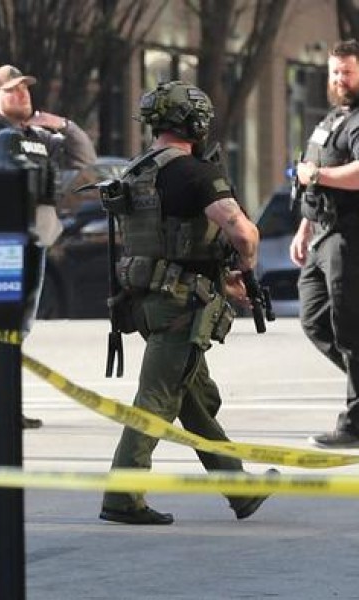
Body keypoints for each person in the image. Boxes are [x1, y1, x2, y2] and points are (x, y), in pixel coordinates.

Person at [98, 80, 276, 525]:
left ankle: (240, 488)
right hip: (180, 307)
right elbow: (241, 231)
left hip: (144, 301)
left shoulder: (138, 171)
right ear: (195, 122)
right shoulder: (196, 173)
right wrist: (246, 266)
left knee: (196, 401)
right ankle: (123, 496)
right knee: (156, 400)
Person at [0, 64, 95, 429]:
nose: (23, 95)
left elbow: (85, 159)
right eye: (13, 90)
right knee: (2, 323)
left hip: (36, 238)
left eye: (26, 89)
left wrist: (62, 125)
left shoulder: (36, 136)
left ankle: (4, 402)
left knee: (20, 326)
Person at [290, 40, 359, 449]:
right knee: (314, 318)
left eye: (347, 71)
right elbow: (312, 176)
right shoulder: (334, 118)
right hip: (321, 232)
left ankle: (354, 425)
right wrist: (304, 227)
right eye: (335, 72)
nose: (340, 79)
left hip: (350, 234)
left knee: (350, 328)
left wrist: (316, 176)